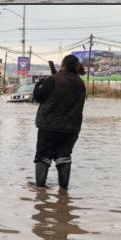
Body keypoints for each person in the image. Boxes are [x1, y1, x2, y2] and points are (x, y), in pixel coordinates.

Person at [32, 54, 87, 189]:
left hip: (48, 127)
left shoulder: (54, 79)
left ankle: (40, 191)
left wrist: (39, 84)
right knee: (64, 156)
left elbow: (39, 97)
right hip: (71, 129)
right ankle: (64, 191)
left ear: (63, 65)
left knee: (43, 156)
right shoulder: (80, 83)